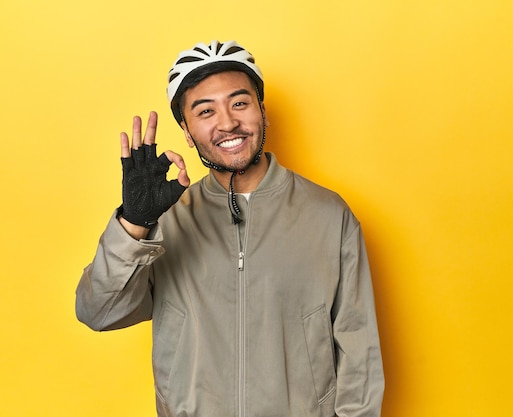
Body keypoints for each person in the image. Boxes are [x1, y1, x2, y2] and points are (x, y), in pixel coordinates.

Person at [75, 40, 384, 417]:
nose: (227, 123)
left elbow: (359, 354)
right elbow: (98, 312)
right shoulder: (167, 220)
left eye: (239, 103)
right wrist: (135, 224)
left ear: (262, 112)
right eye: (205, 111)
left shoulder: (328, 215)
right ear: (187, 133)